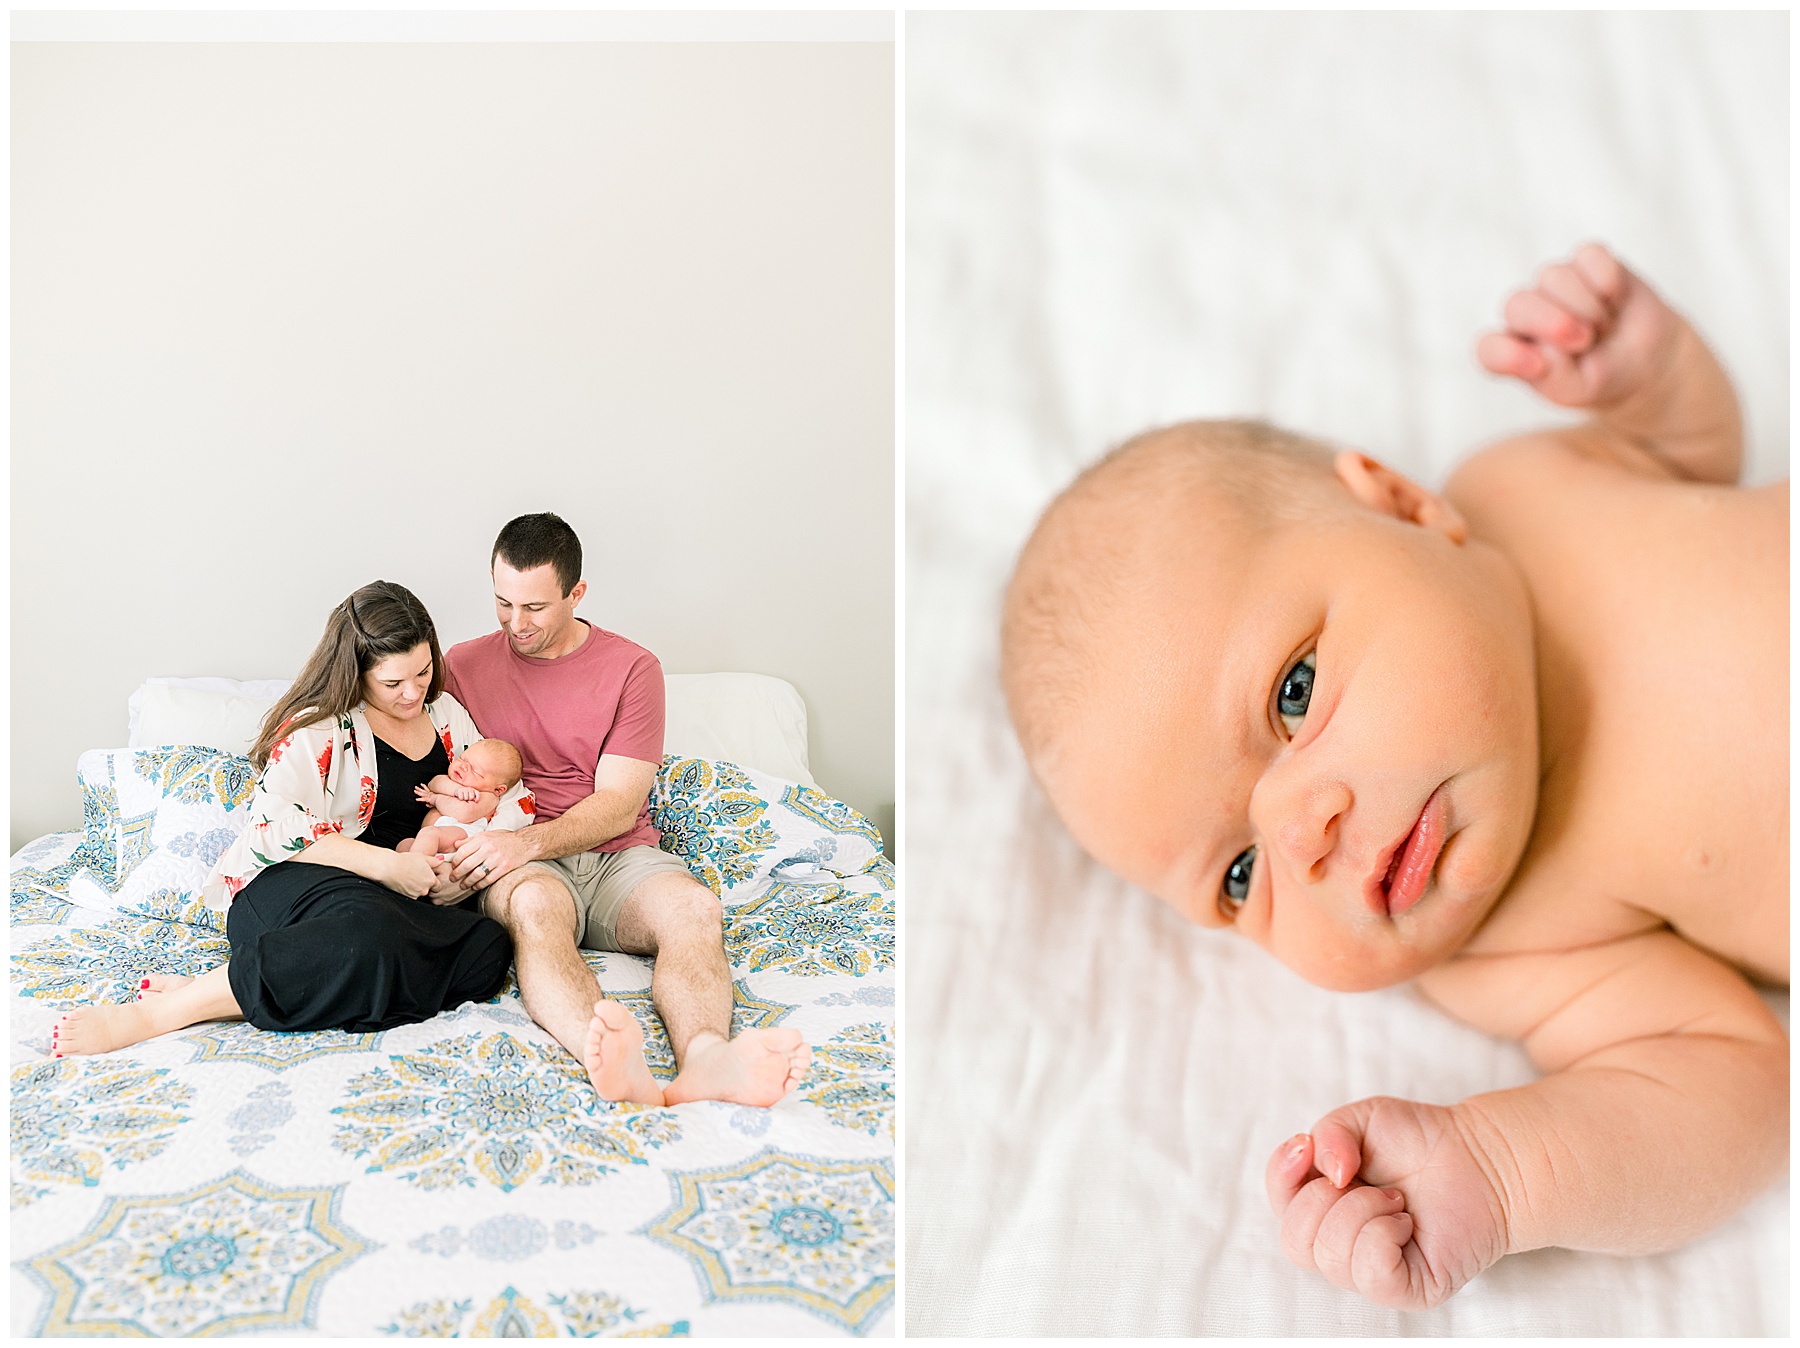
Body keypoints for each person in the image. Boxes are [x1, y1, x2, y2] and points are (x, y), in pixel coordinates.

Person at [1000, 244, 1787, 1309]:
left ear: (1408, 508)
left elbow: (1686, 458)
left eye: (1293, 695)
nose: (1300, 837)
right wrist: (1499, 1174)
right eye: (1239, 877)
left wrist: (1649, 374)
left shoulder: (1523, 487)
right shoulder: (1510, 946)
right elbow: (1731, 1085)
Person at [427, 512, 811, 1108]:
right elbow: (413, 752)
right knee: (533, 909)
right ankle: (610, 1061)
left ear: (576, 593)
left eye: (535, 607)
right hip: (524, 863)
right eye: (504, 603)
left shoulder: (632, 668)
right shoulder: (463, 665)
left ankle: (707, 1057)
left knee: (694, 909)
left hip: (613, 856)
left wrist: (523, 844)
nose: (516, 623)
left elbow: (618, 804)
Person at [51, 582, 528, 1056]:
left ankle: (231, 994)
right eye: (392, 683)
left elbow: (510, 799)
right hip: (303, 879)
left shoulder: (445, 715)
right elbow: (274, 827)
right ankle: (161, 1014)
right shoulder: (319, 725)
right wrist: (389, 866)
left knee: (485, 950)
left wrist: (464, 872)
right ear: (356, 672)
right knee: (369, 934)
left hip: (401, 896)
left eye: (423, 672)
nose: (413, 693)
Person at [399, 737, 524, 858]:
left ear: (498, 789)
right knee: (404, 845)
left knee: (429, 834)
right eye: (462, 758)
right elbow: (434, 783)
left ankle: (417, 867)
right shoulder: (453, 781)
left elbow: (463, 813)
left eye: (475, 771)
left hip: (460, 837)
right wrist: (456, 790)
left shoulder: (488, 797)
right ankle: (425, 866)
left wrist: (435, 799)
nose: (463, 766)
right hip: (432, 840)